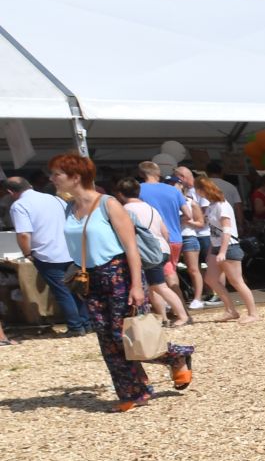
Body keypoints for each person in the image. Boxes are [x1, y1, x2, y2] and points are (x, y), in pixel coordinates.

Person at [52, 153, 193, 411]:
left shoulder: (108, 204)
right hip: (90, 277)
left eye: (56, 174)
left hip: (118, 272)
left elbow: (130, 247)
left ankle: (176, 354)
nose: (52, 179)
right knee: (107, 339)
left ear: (75, 177)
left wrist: (137, 285)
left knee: (125, 334)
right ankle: (133, 391)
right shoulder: (69, 208)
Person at [8, 173, 90, 335]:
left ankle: (75, 327)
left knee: (62, 292)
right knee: (76, 288)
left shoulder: (19, 206)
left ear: (11, 193)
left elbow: (24, 233)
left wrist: (27, 252)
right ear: (29, 185)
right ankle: (87, 323)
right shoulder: (55, 199)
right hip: (69, 250)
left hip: (47, 253)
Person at [113, 180, 192, 327]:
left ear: (120, 194)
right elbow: (165, 232)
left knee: (159, 287)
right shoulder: (150, 208)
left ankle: (182, 316)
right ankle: (163, 318)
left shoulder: (125, 210)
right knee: (153, 287)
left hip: (147, 253)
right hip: (161, 249)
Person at [198, 179, 259, 323]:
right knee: (211, 279)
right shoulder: (212, 206)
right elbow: (214, 232)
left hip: (229, 247)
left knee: (237, 281)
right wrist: (212, 252)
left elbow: (227, 230)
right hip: (218, 247)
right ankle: (230, 309)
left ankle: (253, 313)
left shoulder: (222, 206)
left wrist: (222, 252)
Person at [136, 161, 190, 303]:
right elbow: (188, 215)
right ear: (158, 173)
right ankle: (178, 305)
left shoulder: (138, 190)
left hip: (153, 239)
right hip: (175, 238)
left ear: (141, 174)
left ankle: (176, 308)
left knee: (156, 278)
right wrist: (175, 222)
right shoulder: (173, 190)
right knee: (171, 271)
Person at [176, 164, 212, 309]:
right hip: (177, 237)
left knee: (199, 267)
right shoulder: (177, 200)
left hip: (195, 236)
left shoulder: (192, 200)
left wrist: (187, 220)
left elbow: (201, 221)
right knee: (178, 269)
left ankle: (205, 295)